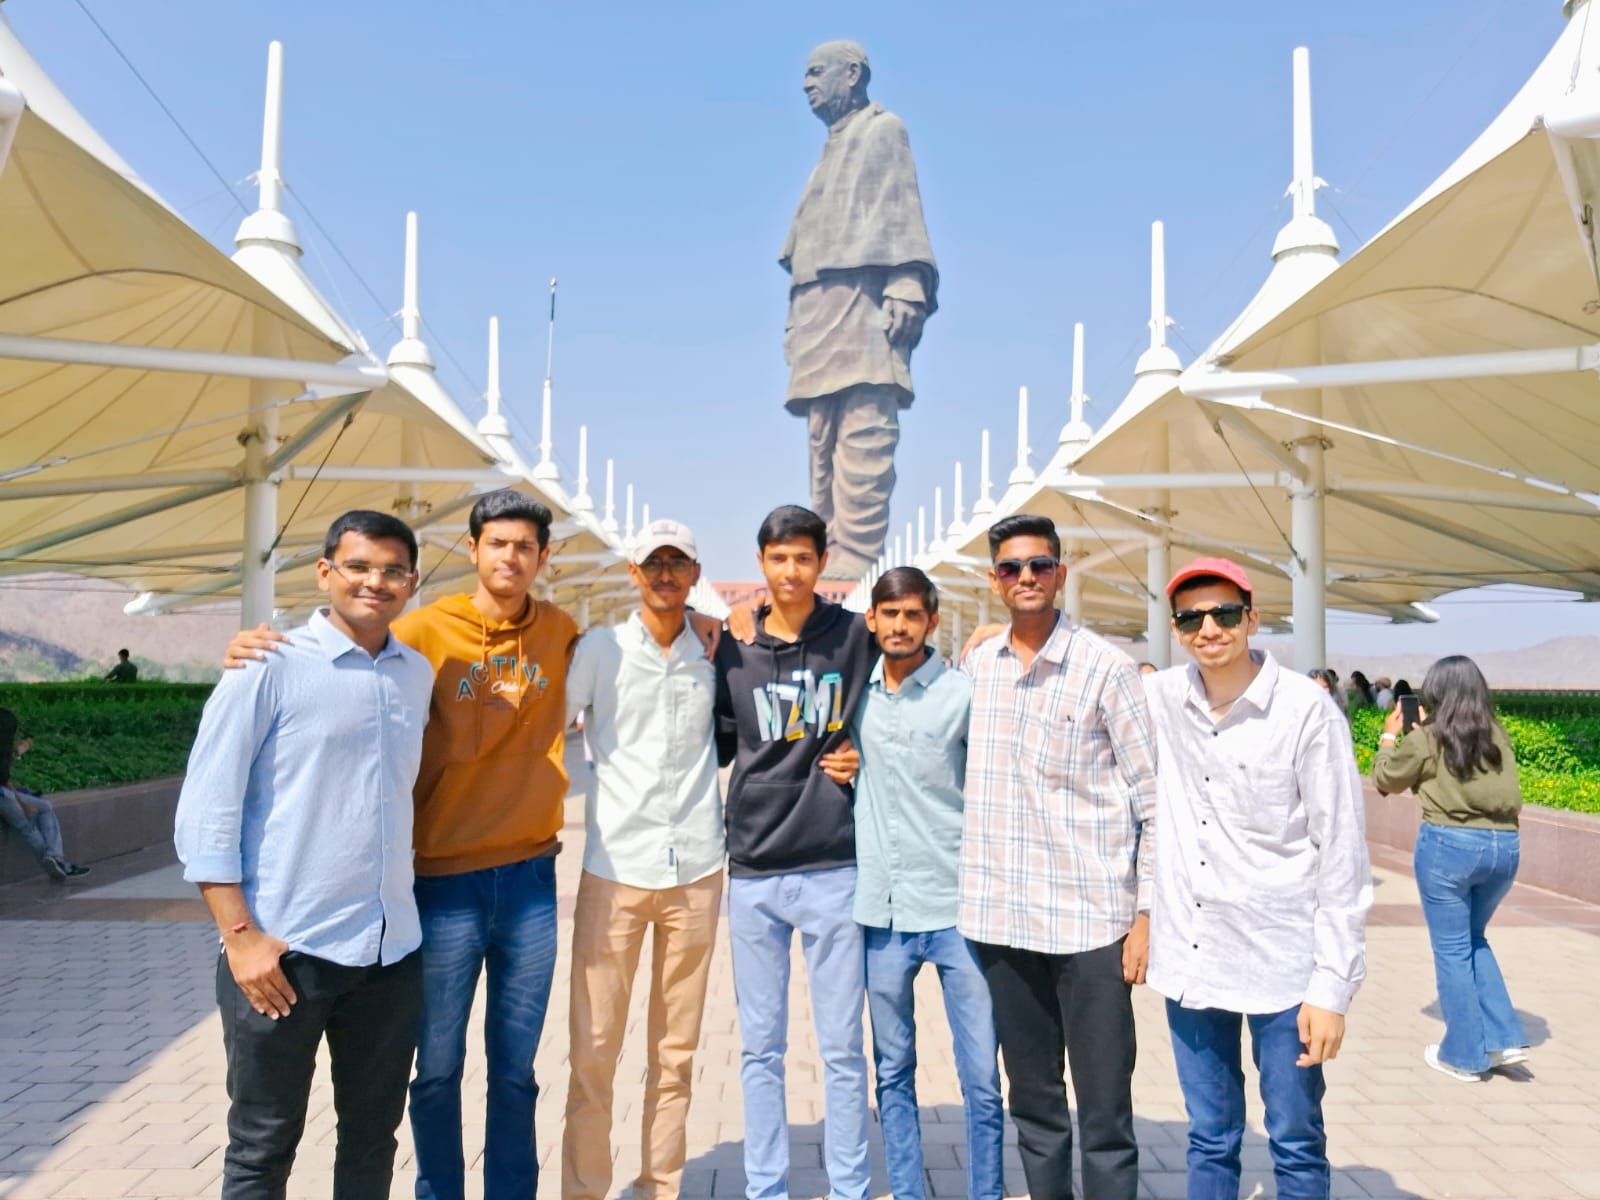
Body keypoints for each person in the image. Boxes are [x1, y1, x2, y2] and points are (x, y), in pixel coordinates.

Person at [224, 489, 658, 1200]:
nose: (510, 557)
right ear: (473, 549)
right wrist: (260, 647)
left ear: (543, 557)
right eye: (497, 543)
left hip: (530, 881)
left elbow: (632, 655)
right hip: (439, 882)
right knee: (436, 1069)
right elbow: (352, 648)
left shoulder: (560, 630)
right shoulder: (422, 630)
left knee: (516, 1071)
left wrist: (716, 627)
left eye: (525, 546)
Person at [176, 510, 433, 1200]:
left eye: (393, 570)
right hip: (283, 955)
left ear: (412, 582)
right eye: (358, 566)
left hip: (389, 955)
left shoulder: (415, 674)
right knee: (262, 1146)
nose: (375, 582)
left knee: (373, 1141)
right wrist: (240, 939)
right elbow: (206, 809)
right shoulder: (267, 666)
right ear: (325, 572)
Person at [1144, 557, 1372, 1200]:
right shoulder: (1161, 699)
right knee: (1209, 1136)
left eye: (1223, 613)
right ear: (1176, 628)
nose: (1208, 629)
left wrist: (1333, 988)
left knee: (1295, 1140)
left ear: (1252, 618)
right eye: (1191, 618)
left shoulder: (1306, 712)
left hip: (1284, 968)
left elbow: (1342, 854)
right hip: (1193, 960)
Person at [958, 513, 1157, 1200]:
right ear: (995, 580)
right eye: (1011, 568)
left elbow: (1153, 801)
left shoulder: (1108, 670)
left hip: (1091, 927)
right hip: (1004, 925)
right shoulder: (977, 667)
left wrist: (1146, 915)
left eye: (1039, 565)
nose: (1027, 577)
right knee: (1035, 1106)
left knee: (1105, 1114)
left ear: (1060, 574)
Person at [713, 504, 875, 1200]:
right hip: (754, 868)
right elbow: (717, 740)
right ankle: (766, 1188)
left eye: (803, 558)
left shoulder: (855, 635)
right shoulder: (732, 647)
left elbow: (911, 672)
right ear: (761, 562)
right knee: (761, 1049)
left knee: (842, 1048)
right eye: (778, 558)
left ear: (821, 562)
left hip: (834, 863)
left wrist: (864, 750)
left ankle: (849, 1187)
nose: (790, 570)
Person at [561, 519, 725, 1200]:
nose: (664, 574)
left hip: (697, 871)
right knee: (593, 1052)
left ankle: (661, 1186)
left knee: (676, 1055)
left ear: (694, 574)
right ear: (633, 573)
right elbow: (545, 728)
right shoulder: (601, 650)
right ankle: (584, 1190)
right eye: (652, 563)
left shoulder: (715, 652)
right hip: (615, 870)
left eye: (676, 562)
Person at [851, 566, 1003, 1200]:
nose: (900, 625)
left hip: (957, 910)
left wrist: (997, 634)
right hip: (882, 913)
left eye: (913, 614)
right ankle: (910, 1191)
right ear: (872, 619)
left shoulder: (964, 694)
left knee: (982, 1078)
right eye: (889, 613)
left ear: (932, 622)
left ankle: (985, 1191)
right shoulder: (852, 695)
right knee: (892, 1071)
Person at [782, 41, 938, 578]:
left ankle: (855, 556)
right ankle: (824, 548)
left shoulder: (883, 130)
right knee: (821, 436)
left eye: (816, 72)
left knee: (864, 427)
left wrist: (906, 282)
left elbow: (901, 208)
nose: (806, 83)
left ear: (852, 74)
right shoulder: (829, 149)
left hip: (862, 299)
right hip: (817, 305)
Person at [1372, 655, 1528, 1082]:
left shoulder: (1427, 739)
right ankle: (1502, 1038)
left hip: (1449, 848)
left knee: (1453, 949)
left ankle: (1463, 1055)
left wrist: (1389, 737)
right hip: (1504, 849)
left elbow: (1385, 780)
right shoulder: (1498, 735)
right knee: (1474, 939)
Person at [0, 709, 90, 880]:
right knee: (29, 828)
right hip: (4, 797)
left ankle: (55, 858)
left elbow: (3, 771)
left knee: (45, 807)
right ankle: (57, 861)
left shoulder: (3, 750)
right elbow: (3, 780)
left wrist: (17, 753)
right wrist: (24, 804)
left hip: (4, 795)